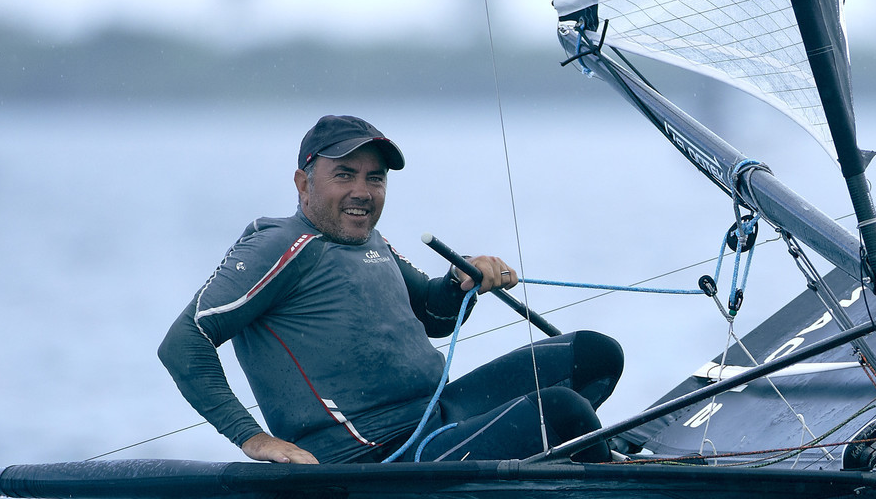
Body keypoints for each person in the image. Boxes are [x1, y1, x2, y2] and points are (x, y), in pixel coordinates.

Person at [159, 114, 622, 465]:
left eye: (374, 178)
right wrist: (251, 437)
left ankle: (570, 463)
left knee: (595, 353)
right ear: (303, 183)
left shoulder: (368, 238)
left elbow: (434, 318)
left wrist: (461, 282)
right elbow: (183, 344)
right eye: (344, 174)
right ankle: (604, 488)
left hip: (437, 416)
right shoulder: (280, 245)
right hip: (381, 457)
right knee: (562, 411)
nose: (363, 190)